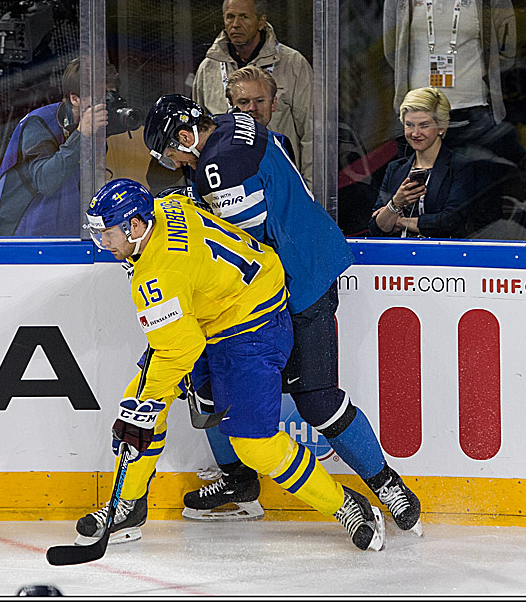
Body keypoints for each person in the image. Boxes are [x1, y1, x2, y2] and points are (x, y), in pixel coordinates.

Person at [141, 94, 424, 535]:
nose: (174, 162)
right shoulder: (235, 123)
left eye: (170, 152)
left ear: (185, 135)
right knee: (212, 389)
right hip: (302, 263)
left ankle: (385, 483)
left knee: (317, 400)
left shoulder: (218, 170)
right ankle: (239, 482)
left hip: (294, 287)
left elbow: (245, 247)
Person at [77, 178, 386, 551]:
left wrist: (145, 406)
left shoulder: (156, 276)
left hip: (252, 326)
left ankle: (347, 506)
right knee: (140, 403)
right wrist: (145, 403)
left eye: (108, 233)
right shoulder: (164, 208)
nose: (103, 243)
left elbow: (180, 349)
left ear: (136, 226)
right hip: (226, 307)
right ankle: (127, 507)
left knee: (254, 444)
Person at [382, 0, 526, 238]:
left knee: (478, 200)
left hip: (473, 111)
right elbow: (393, 49)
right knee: (418, 199)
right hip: (420, 114)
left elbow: (507, 50)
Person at [192, 0, 314, 187]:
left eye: (244, 17)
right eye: (230, 17)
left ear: (261, 22)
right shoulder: (209, 68)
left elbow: (312, 135)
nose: (235, 24)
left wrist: (309, 191)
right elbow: (198, 134)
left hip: (280, 184)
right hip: (226, 189)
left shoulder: (293, 65)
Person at [0, 59, 109, 236]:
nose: (103, 103)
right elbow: (46, 182)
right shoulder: (39, 124)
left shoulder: (90, 127)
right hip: (7, 237)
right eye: (97, 97)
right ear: (75, 99)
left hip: (56, 232)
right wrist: (81, 135)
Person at [369, 87, 474, 238]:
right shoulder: (395, 168)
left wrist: (399, 221)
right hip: (399, 257)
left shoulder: (460, 167)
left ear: (441, 127)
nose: (415, 133)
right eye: (409, 125)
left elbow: (449, 222)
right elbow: (376, 228)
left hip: (443, 256)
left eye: (424, 125)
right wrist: (396, 203)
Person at [224, 65, 295, 169]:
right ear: (231, 106)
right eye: (244, 102)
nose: (252, 108)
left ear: (273, 104)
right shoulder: (214, 146)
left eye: (260, 101)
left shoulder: (281, 143)